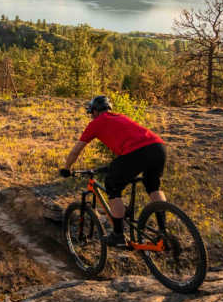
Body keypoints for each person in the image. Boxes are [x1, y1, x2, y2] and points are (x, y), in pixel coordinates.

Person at [59, 95, 167, 247]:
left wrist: (66, 168)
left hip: (137, 152)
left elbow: (76, 150)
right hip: (158, 147)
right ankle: (164, 232)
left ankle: (118, 235)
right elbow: (128, 147)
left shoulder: (96, 123)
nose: (91, 116)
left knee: (112, 185)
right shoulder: (121, 117)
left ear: (95, 111)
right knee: (153, 186)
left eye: (91, 113)